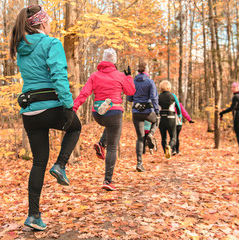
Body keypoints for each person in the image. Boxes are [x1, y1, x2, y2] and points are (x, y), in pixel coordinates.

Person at [10, 5, 81, 231]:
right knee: (75, 127)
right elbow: (59, 74)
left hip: (29, 112)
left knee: (39, 162)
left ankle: (33, 215)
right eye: (48, 21)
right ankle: (60, 165)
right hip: (51, 107)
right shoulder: (52, 43)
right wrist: (69, 106)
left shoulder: (21, 48)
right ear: (41, 23)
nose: (50, 24)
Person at [73, 48, 135, 191]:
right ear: (114, 61)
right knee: (112, 146)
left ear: (103, 59)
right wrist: (129, 77)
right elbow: (130, 91)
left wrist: (74, 107)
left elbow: (84, 93)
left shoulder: (94, 76)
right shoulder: (120, 75)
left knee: (109, 126)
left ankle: (101, 144)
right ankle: (108, 180)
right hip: (114, 113)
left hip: (97, 115)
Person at [127, 62, 159, 172]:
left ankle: (139, 163)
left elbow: (129, 99)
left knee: (140, 138)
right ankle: (150, 134)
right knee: (157, 121)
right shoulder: (150, 82)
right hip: (148, 111)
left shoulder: (133, 82)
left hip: (136, 112)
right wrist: (157, 111)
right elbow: (154, 98)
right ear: (147, 70)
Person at [220, 82, 239, 154]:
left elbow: (232, 108)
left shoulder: (235, 97)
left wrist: (222, 112)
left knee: (238, 134)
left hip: (238, 117)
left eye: (234, 87)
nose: (232, 88)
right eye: (232, 87)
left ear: (238, 88)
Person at [158, 80, 181, 159]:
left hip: (161, 119)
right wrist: (179, 115)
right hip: (171, 118)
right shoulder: (172, 96)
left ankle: (166, 152)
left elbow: (156, 108)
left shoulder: (158, 96)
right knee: (173, 137)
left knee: (163, 137)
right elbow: (178, 107)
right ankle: (170, 147)